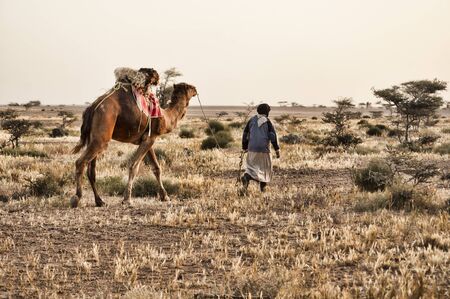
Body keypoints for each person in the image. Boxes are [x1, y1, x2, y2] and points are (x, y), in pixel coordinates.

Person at [241, 103, 280, 193]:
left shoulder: (251, 120)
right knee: (265, 169)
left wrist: (245, 147)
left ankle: (247, 176)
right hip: (264, 150)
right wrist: (277, 150)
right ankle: (263, 190)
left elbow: (245, 134)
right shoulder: (268, 121)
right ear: (267, 112)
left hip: (252, 149)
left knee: (251, 168)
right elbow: (273, 136)